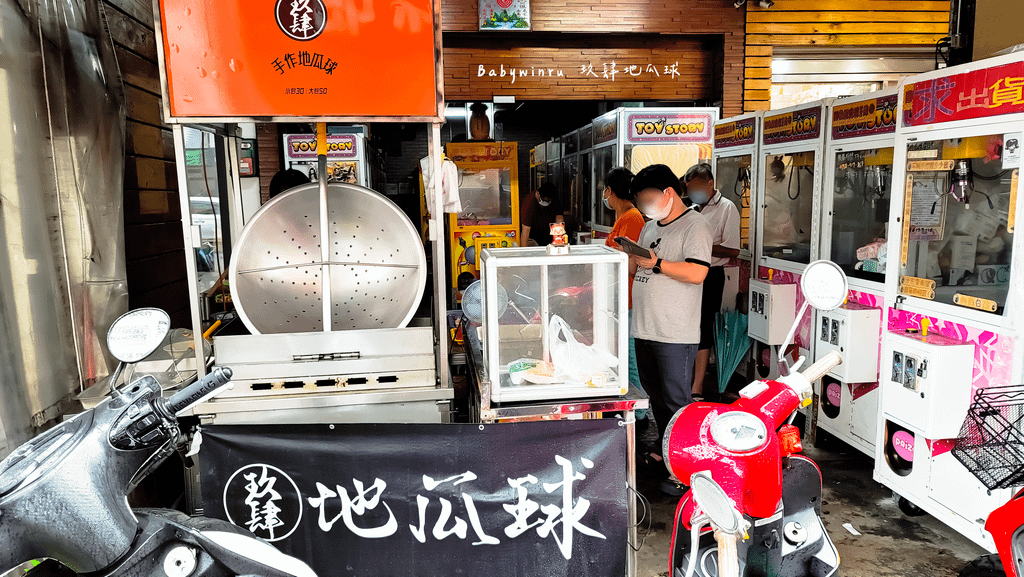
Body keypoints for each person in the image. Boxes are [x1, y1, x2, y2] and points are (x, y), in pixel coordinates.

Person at [628, 164, 712, 492]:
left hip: (675, 332)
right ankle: (669, 455)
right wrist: (632, 259)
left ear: (668, 193)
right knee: (657, 400)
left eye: (647, 198)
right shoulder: (649, 227)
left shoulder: (695, 226)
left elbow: (697, 273)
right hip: (645, 328)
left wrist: (658, 264)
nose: (644, 205)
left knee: (678, 402)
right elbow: (640, 268)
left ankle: (690, 473)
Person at [683, 163, 741, 400]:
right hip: (688, 272)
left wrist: (703, 245)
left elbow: (734, 250)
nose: (692, 191)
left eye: (696, 186)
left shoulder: (727, 208)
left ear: (710, 183)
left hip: (711, 275)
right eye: (689, 188)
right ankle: (685, 381)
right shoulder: (692, 208)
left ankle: (697, 387)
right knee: (688, 327)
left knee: (704, 329)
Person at [602, 167, 646, 414]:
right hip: (619, 296)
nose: (604, 195)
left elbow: (631, 261)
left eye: (605, 189)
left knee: (630, 356)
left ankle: (637, 412)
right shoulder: (623, 218)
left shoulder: (632, 218)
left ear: (610, 189)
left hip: (629, 297)